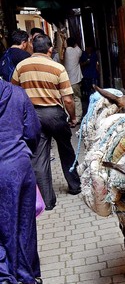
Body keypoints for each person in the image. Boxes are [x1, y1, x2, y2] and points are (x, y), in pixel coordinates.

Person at [11, 34, 81, 211]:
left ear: (32, 48)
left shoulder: (21, 66)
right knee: (66, 150)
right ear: (50, 49)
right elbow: (68, 100)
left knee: (39, 157)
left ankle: (47, 201)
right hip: (55, 114)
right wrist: (73, 118)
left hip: (32, 116)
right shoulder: (57, 68)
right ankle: (75, 186)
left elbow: (14, 91)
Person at [0, 78, 43, 284]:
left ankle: (3, 279)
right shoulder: (17, 94)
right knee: (23, 222)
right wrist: (25, 151)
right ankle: (25, 279)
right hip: (16, 166)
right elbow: (33, 131)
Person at [63, 37, 83, 123]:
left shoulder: (64, 52)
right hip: (75, 80)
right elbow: (79, 49)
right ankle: (78, 118)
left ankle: (69, 117)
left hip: (65, 81)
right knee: (77, 99)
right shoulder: (77, 51)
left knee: (67, 99)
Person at [80, 44, 99, 113]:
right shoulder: (83, 54)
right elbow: (80, 64)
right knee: (88, 91)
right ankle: (89, 106)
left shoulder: (94, 54)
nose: (89, 49)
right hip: (86, 75)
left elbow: (97, 64)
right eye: (88, 48)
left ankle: (96, 105)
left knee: (95, 90)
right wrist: (85, 63)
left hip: (94, 74)